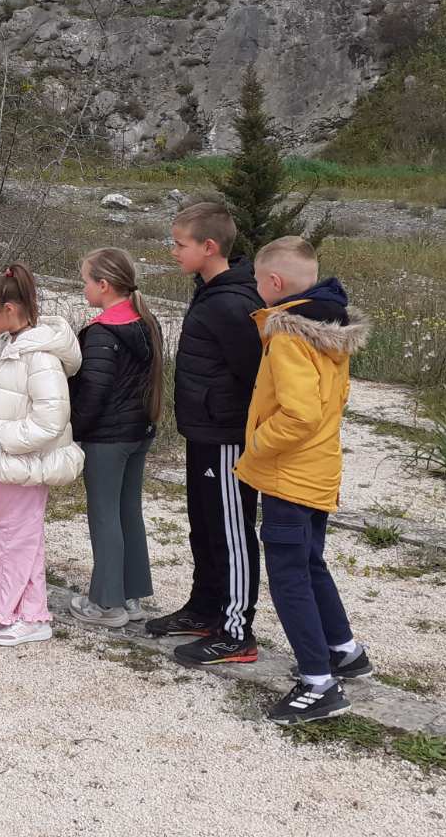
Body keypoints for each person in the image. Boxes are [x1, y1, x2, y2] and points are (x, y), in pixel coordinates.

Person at [235, 236, 372, 723]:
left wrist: (256, 446)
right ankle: (344, 650)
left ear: (274, 282)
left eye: (257, 280)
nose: (255, 288)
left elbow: (300, 413)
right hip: (317, 469)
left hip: (288, 475)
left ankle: (319, 683)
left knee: (289, 575)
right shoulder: (328, 326)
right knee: (310, 562)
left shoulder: (288, 336)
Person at [146, 201, 267, 667]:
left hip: (226, 436)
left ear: (210, 246)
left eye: (180, 244)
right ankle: (205, 608)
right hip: (202, 432)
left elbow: (255, 375)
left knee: (231, 531)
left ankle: (236, 632)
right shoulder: (211, 292)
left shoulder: (233, 303)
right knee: (205, 523)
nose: (173, 251)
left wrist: (231, 421)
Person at [0, 263, 82, 646]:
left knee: (11, 536)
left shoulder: (38, 356)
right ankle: (27, 612)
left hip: (23, 460)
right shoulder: (8, 344)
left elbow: (51, 418)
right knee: (18, 535)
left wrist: (3, 439)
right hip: (11, 461)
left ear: (8, 309)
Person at [67, 247, 162, 627]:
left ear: (104, 284)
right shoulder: (146, 322)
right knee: (128, 511)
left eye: (86, 281)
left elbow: (93, 391)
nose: (84, 288)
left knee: (104, 514)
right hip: (139, 431)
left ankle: (107, 604)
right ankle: (130, 597)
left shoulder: (102, 332)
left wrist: (73, 429)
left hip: (107, 437)